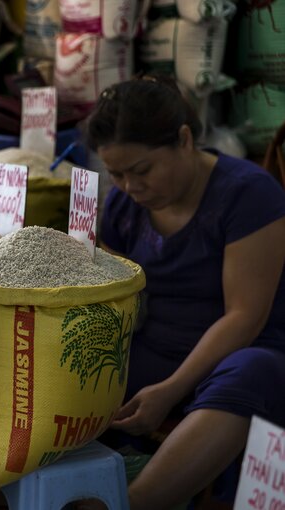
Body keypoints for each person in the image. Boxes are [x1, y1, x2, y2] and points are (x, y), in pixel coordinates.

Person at [90, 76, 285, 509]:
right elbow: (120, 301)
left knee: (254, 373)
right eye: (116, 174)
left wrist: (171, 389)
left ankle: (135, 503)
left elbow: (244, 316)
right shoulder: (122, 207)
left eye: (141, 171)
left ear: (183, 139)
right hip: (155, 349)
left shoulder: (248, 196)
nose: (129, 186)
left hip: (240, 353)